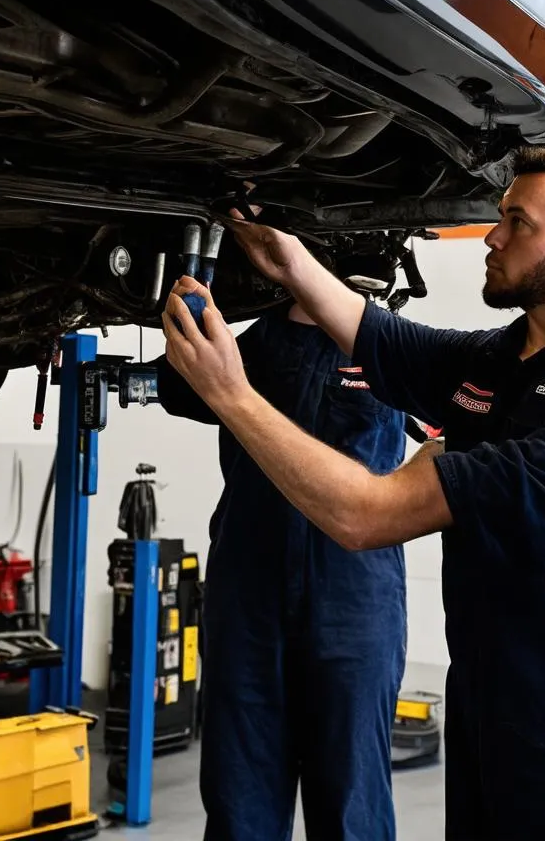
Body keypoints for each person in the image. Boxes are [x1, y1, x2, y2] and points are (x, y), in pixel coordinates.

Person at [161, 146, 545, 840]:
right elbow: (384, 337)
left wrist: (231, 394)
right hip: (485, 713)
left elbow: (366, 515)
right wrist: (289, 259)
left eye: (516, 222)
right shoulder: (497, 361)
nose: (492, 235)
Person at [153, 294, 408, 841]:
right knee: (239, 798)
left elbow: (461, 408)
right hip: (249, 591)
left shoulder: (389, 345)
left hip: (355, 598)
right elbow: (174, 382)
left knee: (351, 800)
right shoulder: (252, 347)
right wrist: (188, 300)